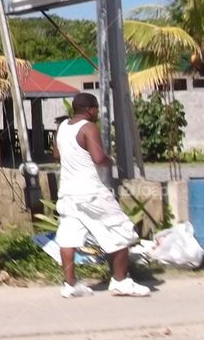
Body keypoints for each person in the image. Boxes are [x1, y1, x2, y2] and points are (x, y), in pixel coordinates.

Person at [53, 92, 150, 298]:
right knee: (121, 230)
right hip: (92, 192)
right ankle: (121, 282)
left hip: (68, 193)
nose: (97, 112)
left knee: (69, 237)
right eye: (96, 108)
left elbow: (56, 154)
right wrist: (111, 159)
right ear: (90, 109)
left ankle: (70, 285)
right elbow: (98, 158)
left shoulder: (63, 127)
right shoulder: (88, 127)